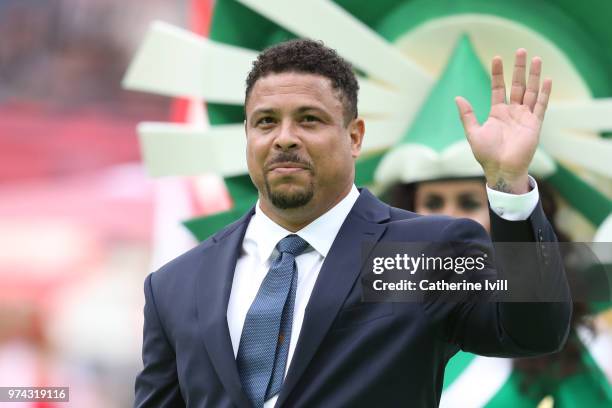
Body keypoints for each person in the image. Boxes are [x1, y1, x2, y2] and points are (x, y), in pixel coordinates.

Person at [134, 39, 571, 407]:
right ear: (247, 136)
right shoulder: (175, 284)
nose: (285, 137)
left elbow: (533, 331)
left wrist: (508, 183)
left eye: (309, 119)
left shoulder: (424, 254)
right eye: (266, 121)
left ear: (355, 136)